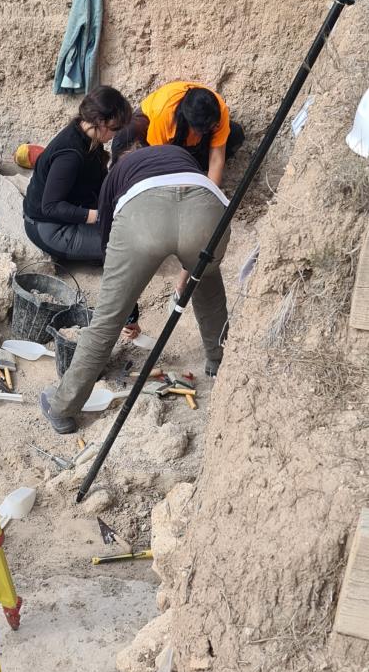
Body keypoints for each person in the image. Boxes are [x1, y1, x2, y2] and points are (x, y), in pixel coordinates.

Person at [39, 143, 231, 435]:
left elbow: (107, 247)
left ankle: (62, 408)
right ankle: (220, 363)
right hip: (207, 210)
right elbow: (182, 207)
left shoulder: (116, 174)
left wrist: (125, 307)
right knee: (209, 289)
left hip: (143, 215)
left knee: (105, 322)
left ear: (117, 160)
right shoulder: (174, 153)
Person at [22, 86, 133, 263]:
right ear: (101, 122)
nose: (116, 134)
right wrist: (99, 216)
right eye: (115, 128)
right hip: (49, 227)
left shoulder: (87, 136)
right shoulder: (70, 155)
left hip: (70, 212)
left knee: (130, 226)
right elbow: (50, 207)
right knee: (128, 247)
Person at [110, 80, 245, 187]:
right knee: (126, 135)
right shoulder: (163, 115)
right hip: (152, 140)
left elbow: (216, 158)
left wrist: (210, 194)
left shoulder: (219, 111)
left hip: (186, 145)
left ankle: (192, 170)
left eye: (210, 128)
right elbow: (158, 162)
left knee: (235, 135)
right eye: (200, 131)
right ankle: (118, 180)